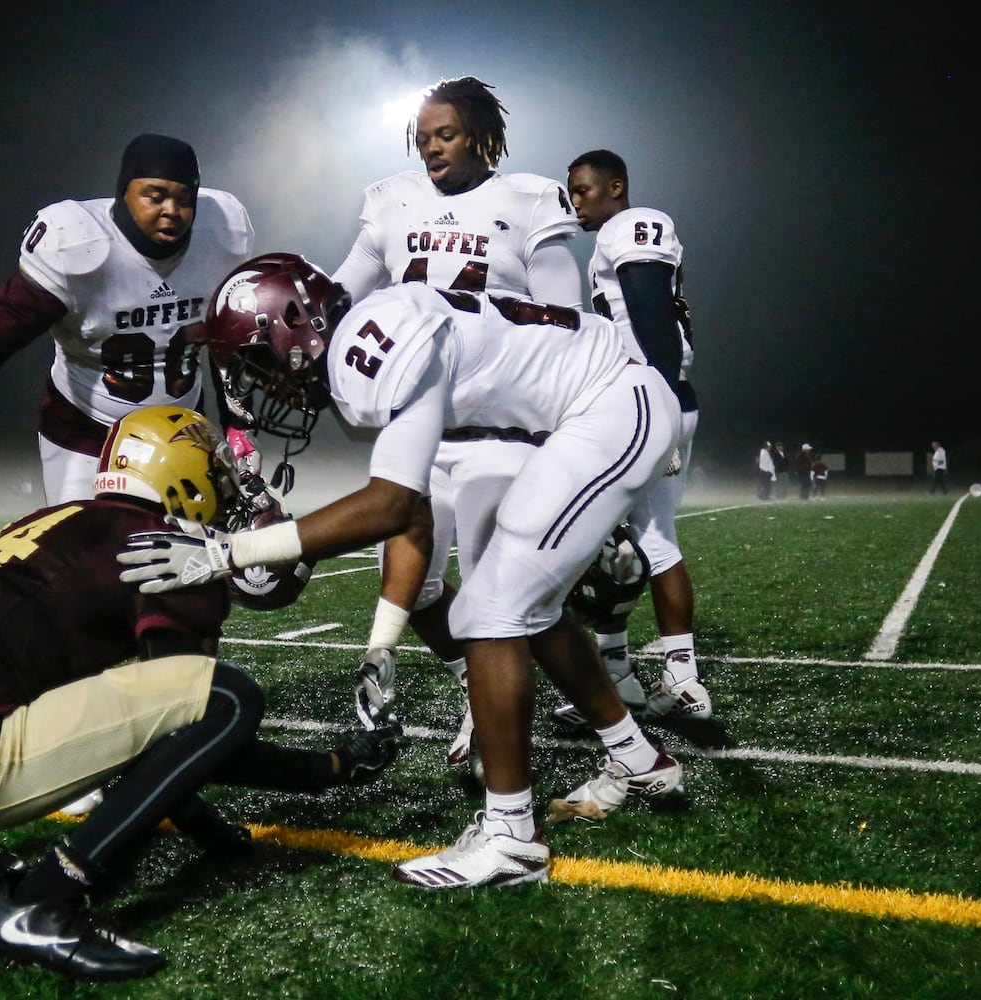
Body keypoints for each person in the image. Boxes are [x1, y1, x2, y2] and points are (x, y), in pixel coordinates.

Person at [119, 254, 684, 889]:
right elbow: (410, 514)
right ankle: (640, 760)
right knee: (524, 605)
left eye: (259, 362)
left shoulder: (372, 349)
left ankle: (512, 839)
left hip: (613, 405)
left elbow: (387, 504)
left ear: (294, 323)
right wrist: (380, 645)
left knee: (492, 611)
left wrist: (228, 553)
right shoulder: (382, 337)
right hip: (597, 405)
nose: (266, 384)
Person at [0, 404, 399, 982]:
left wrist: (204, 824)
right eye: (218, 471)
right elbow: (187, 730)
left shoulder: (62, 518)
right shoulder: (161, 550)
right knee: (228, 699)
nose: (225, 486)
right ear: (182, 473)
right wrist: (330, 767)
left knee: (15, 676)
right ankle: (43, 902)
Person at [329, 75, 581, 761]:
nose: (431, 149)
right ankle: (478, 686)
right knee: (417, 587)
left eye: (444, 135)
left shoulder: (528, 199)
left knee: (492, 598)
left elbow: (567, 317)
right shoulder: (390, 200)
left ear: (478, 132)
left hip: (497, 426)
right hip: (414, 424)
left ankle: (542, 752)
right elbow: (339, 292)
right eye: (423, 139)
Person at [0, 133, 258, 515]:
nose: (171, 210)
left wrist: (236, 424)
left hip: (182, 427)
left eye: (183, 199)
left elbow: (231, 342)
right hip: (87, 430)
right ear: (123, 192)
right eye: (154, 195)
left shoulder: (222, 235)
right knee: (86, 557)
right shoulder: (78, 246)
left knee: (195, 559)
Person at [549, 149, 709, 724]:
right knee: (631, 541)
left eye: (583, 190)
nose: (575, 202)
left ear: (615, 187)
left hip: (645, 400)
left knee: (605, 542)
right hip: (658, 398)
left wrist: (657, 408)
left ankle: (664, 678)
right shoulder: (613, 235)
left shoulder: (629, 226)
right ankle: (632, 676)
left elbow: (651, 316)